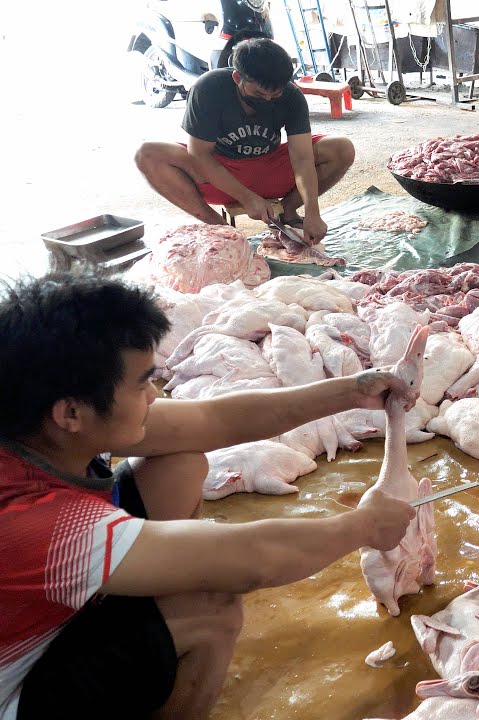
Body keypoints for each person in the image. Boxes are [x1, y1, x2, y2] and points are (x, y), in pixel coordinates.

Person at [0, 273, 417, 719]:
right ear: (71, 413)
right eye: (141, 384)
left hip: (52, 610)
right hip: (20, 689)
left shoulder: (35, 425)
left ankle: (144, 618)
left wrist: (354, 390)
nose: (155, 393)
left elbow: (211, 418)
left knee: (179, 463)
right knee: (210, 604)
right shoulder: (32, 523)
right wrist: (363, 526)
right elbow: (257, 559)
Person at [134, 38, 355, 245]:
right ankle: (219, 227)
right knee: (148, 154)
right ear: (237, 78)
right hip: (218, 172)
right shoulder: (209, 88)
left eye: (275, 95)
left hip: (269, 168)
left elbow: (302, 157)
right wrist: (247, 198)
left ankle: (287, 211)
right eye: (259, 95)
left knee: (341, 148)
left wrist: (313, 212)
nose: (268, 100)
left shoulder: (291, 95)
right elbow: (199, 155)